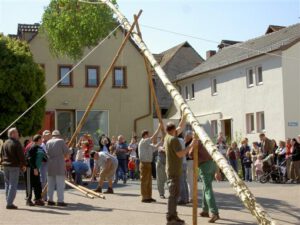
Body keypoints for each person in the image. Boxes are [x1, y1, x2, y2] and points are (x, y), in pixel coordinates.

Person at [164, 117, 197, 224]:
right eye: (176, 130)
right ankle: (171, 218)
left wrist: (184, 116)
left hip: (172, 169)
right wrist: (191, 145)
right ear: (173, 131)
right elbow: (180, 154)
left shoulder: (168, 136)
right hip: (173, 170)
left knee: (175, 193)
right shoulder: (173, 140)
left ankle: (173, 215)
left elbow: (180, 127)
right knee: (173, 194)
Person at [189, 138, 221, 223]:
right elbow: (215, 155)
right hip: (212, 164)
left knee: (207, 189)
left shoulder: (197, 142)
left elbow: (190, 154)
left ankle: (215, 213)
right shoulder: (208, 141)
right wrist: (217, 171)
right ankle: (205, 210)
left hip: (204, 166)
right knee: (205, 188)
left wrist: (191, 145)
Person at [0, 128, 26, 209]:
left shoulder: (4, 143)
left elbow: (1, 155)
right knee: (13, 185)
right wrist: (23, 165)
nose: (18, 134)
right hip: (14, 166)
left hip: (5, 166)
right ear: (13, 134)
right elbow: (21, 156)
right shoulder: (16, 143)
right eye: (17, 133)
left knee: (7, 184)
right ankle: (10, 203)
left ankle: (8, 201)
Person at [46, 130, 70, 206]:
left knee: (50, 184)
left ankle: (50, 199)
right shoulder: (61, 141)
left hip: (50, 164)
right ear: (59, 135)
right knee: (60, 184)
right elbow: (67, 152)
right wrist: (66, 159)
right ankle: (60, 201)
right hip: (59, 163)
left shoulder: (48, 142)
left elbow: (46, 153)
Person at [138, 125, 161, 203]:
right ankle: (144, 197)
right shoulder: (143, 141)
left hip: (148, 163)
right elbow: (153, 137)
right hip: (144, 163)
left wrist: (161, 141)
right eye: (148, 134)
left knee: (149, 181)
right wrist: (158, 128)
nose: (149, 136)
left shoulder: (147, 143)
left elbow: (154, 148)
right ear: (145, 135)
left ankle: (149, 196)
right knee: (144, 180)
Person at [25, 134, 46, 206]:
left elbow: (44, 157)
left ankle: (38, 199)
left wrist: (45, 159)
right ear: (38, 140)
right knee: (29, 184)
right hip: (29, 168)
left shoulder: (39, 147)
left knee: (37, 184)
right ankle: (28, 200)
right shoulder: (31, 146)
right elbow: (29, 158)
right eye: (41, 139)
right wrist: (34, 168)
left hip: (36, 168)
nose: (42, 140)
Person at [178, 134, 189, 205]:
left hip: (180, 163)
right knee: (184, 181)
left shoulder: (177, 140)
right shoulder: (182, 140)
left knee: (181, 182)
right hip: (184, 162)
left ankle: (183, 199)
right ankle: (186, 198)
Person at [40, 130, 51, 200]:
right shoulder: (41, 144)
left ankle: (46, 197)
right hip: (43, 164)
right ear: (43, 136)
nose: (48, 136)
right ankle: (43, 197)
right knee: (43, 180)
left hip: (49, 163)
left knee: (49, 181)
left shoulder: (50, 143)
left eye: (49, 135)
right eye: (46, 135)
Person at [184, 131, 194, 202]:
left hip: (190, 162)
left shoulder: (189, 143)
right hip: (191, 162)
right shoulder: (191, 142)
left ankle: (191, 197)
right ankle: (191, 196)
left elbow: (187, 152)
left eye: (186, 136)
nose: (185, 137)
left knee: (189, 180)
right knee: (190, 180)